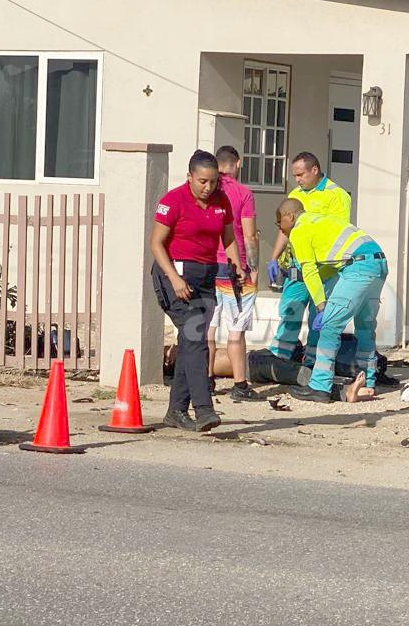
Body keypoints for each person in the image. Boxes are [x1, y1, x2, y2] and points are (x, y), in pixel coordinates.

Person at [150, 150, 251, 432]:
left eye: (213, 181)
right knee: (196, 339)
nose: (208, 187)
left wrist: (237, 266)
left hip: (206, 278)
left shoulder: (221, 201)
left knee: (190, 341)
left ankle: (176, 411)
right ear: (190, 177)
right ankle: (204, 409)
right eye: (203, 181)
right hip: (175, 276)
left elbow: (228, 239)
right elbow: (156, 243)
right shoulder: (173, 201)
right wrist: (174, 278)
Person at [275, 199, 386, 404]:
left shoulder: (299, 229)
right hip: (378, 262)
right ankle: (369, 382)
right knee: (365, 327)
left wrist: (321, 305)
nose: (280, 228)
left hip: (358, 268)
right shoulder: (321, 221)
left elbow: (309, 270)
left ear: (289, 216)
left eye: (279, 222)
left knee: (329, 327)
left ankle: (320, 386)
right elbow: (328, 267)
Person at [266, 152, 352, 365]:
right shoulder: (296, 194)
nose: (297, 180)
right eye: (295, 175)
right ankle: (279, 360)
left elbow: (337, 233)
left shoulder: (336, 195)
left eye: (301, 175)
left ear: (315, 170)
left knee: (318, 317)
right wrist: (273, 257)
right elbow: (285, 228)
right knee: (290, 311)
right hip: (298, 264)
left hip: (323, 268)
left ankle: (313, 364)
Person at [207, 145, 259, 402]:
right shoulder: (243, 193)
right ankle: (240, 385)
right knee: (236, 332)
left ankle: (206, 381)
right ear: (238, 163)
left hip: (207, 266)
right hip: (234, 268)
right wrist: (254, 269)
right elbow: (249, 236)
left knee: (208, 328)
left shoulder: (208, 190)